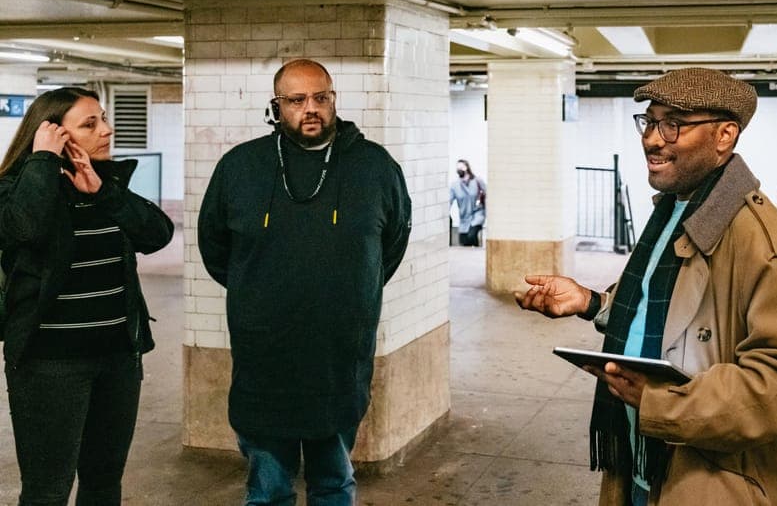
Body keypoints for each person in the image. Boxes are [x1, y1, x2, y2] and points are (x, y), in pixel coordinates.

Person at [515, 67, 777, 506]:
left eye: (674, 125)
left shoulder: (764, 243)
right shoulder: (674, 212)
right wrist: (590, 302)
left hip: (716, 483)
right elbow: (664, 309)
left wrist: (662, 404)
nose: (652, 139)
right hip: (642, 459)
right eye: (649, 122)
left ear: (724, 136)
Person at [198, 58, 412, 506]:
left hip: (338, 357)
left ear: (334, 100)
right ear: (276, 106)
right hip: (264, 358)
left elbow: (389, 247)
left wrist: (349, 292)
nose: (310, 108)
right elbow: (216, 250)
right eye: (296, 100)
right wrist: (259, 293)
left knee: (333, 483)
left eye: (320, 97)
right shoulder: (241, 166)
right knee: (268, 490)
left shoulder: (374, 167)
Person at [0, 87, 174, 505]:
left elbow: (157, 234)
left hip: (117, 359)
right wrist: (43, 161)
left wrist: (104, 192)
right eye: (90, 124)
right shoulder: (12, 190)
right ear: (54, 134)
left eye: (104, 119)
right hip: (49, 364)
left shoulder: (103, 186)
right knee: (47, 490)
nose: (107, 130)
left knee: (103, 482)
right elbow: (26, 228)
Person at [449, 159, 486, 246]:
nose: (459, 170)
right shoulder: (455, 185)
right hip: (464, 218)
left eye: (461, 167)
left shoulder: (477, 181)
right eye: (457, 168)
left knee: (471, 235)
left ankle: (476, 249)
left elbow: (487, 195)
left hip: (477, 214)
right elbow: (449, 201)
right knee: (464, 242)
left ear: (467, 168)